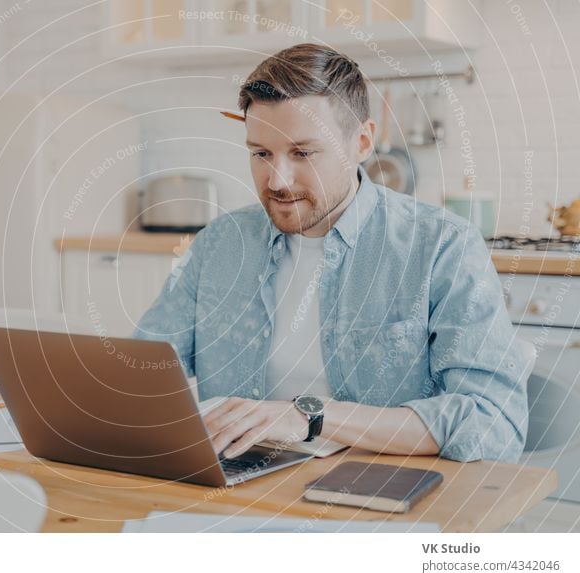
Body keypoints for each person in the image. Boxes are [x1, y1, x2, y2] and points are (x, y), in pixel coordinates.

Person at [133, 43, 527, 463]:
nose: (278, 180)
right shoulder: (221, 242)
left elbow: (494, 423)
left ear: (361, 142)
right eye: (261, 154)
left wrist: (309, 418)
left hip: (373, 498)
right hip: (234, 491)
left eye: (303, 153)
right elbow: (141, 376)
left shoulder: (441, 247)